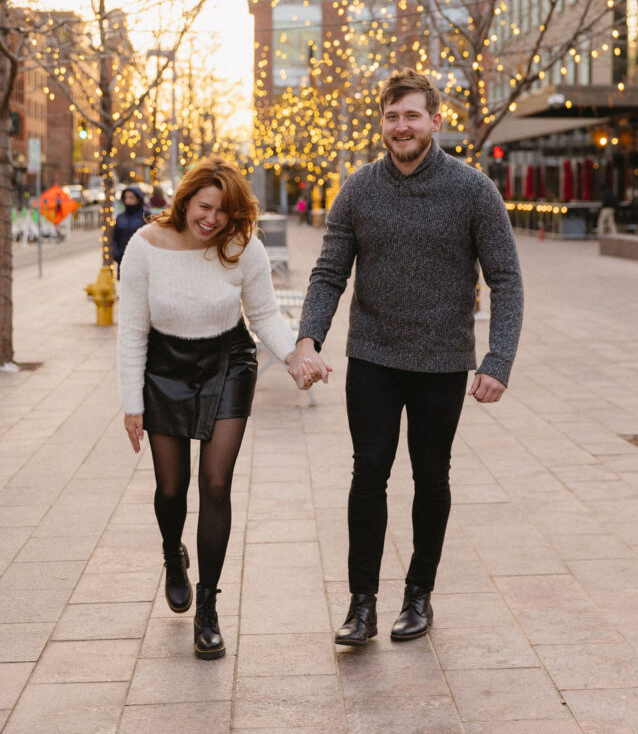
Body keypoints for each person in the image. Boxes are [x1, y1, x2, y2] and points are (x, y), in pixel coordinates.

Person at [289, 69, 524, 646]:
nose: (401, 127)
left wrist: (498, 359)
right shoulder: (359, 189)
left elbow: (506, 279)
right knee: (368, 474)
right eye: (392, 116)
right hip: (372, 356)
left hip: (442, 361)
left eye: (412, 116)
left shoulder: (473, 190)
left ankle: (419, 597)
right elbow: (328, 274)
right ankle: (361, 604)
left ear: (434, 122)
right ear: (383, 122)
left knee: (430, 477)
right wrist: (306, 339)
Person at [117, 157, 321, 660]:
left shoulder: (241, 248)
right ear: (185, 200)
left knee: (215, 484)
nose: (212, 219)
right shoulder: (144, 248)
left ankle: (207, 610)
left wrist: (296, 355)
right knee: (171, 489)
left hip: (228, 363)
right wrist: (131, 403)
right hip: (162, 367)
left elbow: (265, 315)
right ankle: (172, 554)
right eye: (205, 207)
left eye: (224, 212)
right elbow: (131, 330)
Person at [113, 186, 146, 278]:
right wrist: (116, 254)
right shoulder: (120, 218)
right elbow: (115, 237)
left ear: (138, 199)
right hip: (123, 259)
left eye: (131, 198)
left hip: (140, 260)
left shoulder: (145, 216)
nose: (128, 201)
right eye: (126, 198)